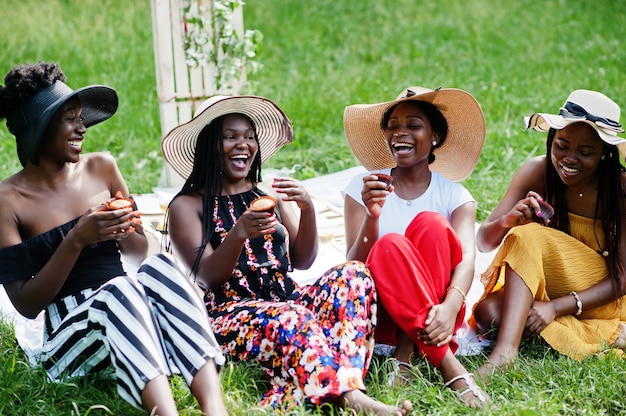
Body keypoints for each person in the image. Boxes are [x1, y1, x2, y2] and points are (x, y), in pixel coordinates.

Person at [161, 95, 412, 415]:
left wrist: (307, 208)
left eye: (249, 136)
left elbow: (303, 260)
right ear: (210, 143)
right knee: (295, 318)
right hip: (231, 316)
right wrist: (239, 233)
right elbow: (208, 276)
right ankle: (353, 401)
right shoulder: (187, 206)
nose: (243, 144)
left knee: (354, 273)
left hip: (289, 301)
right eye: (230, 136)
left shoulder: (266, 195)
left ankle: (339, 380)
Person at [0, 62, 227, 416]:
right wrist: (76, 239)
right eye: (69, 119)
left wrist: (126, 232)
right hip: (68, 336)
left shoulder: (101, 167)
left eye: (81, 118)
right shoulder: (8, 200)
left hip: (132, 315)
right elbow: (26, 304)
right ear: (39, 129)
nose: (82, 128)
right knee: (119, 290)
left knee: (162, 266)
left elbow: (137, 254)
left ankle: (215, 410)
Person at [343, 86, 489, 407]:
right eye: (393, 125)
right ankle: (452, 369)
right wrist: (372, 216)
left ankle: (406, 354)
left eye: (413, 124)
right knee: (390, 245)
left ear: (435, 136)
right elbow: (352, 268)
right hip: (384, 314)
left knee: (432, 225)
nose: (400, 133)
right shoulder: (364, 186)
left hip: (442, 311)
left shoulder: (455, 195)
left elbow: (465, 261)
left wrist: (451, 307)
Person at [471, 89, 626, 377]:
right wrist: (509, 220)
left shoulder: (620, 189)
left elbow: (623, 277)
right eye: (561, 145)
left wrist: (555, 307)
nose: (569, 159)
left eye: (585, 152)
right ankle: (608, 334)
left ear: (605, 153)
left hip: (601, 295)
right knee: (487, 314)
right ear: (550, 139)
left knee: (527, 236)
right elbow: (482, 241)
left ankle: (505, 353)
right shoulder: (537, 171)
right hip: (549, 287)